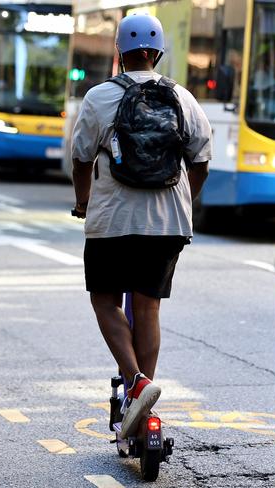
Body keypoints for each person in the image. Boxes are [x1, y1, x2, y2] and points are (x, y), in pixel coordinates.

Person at [71, 13, 211, 438]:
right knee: (148, 306)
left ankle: (135, 382)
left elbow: (80, 158)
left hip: (113, 219)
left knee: (106, 301)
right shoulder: (182, 98)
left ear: (120, 52)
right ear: (157, 53)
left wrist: (82, 202)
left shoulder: (98, 98)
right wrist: (186, 200)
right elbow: (201, 159)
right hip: (167, 222)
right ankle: (139, 406)